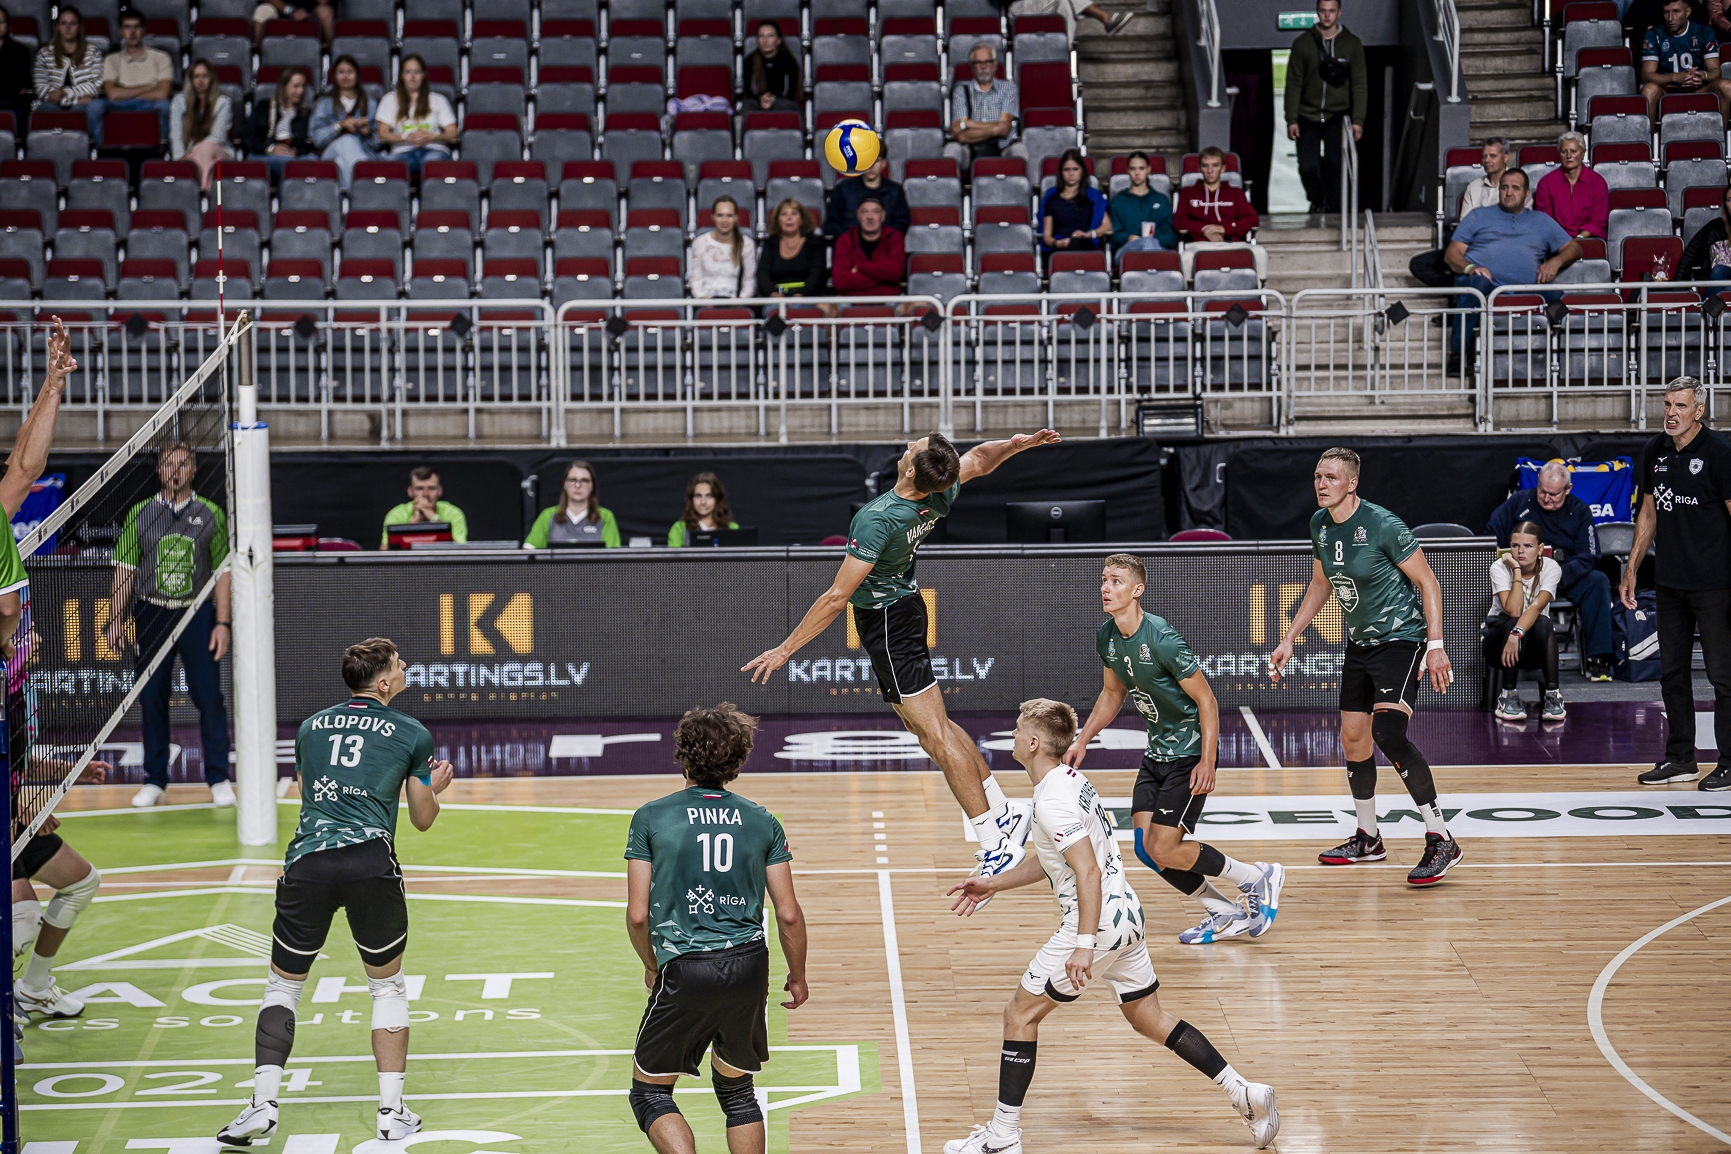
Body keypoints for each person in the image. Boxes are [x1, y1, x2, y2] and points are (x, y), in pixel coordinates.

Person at [942, 699, 1279, 1154]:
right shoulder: (1069, 781)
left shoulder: (1052, 801)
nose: (1014, 736)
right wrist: (994, 883)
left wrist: (1083, 944)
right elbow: (1057, 859)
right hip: (1127, 919)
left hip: (1095, 927)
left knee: (1020, 1015)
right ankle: (1245, 1092)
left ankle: (1002, 1137)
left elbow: (1087, 871)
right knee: (1149, 1018)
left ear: (1035, 743)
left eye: (1019, 730)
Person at [743, 430, 1062, 884]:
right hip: (904, 610)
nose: (910, 443)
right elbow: (978, 460)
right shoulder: (940, 492)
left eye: (914, 445)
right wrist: (1014, 446)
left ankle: (995, 843)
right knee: (931, 728)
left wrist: (785, 649)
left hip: (889, 622)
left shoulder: (877, 519)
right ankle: (1002, 811)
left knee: (935, 736)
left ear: (910, 469)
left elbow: (836, 597)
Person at [217, 637, 455, 1145]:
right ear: (384, 683)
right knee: (387, 987)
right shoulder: (413, 733)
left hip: (309, 863)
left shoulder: (310, 727)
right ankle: (391, 1112)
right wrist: (433, 789)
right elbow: (422, 818)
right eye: (399, 663)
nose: (406, 666)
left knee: (283, 988)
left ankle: (262, 1105)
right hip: (370, 863)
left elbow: (311, 791)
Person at [1065, 554, 1286, 945]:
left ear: (1138, 590)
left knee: (1164, 846)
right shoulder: (1107, 636)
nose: (1105, 588)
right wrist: (1082, 739)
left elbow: (1207, 700)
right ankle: (1222, 911)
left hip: (1188, 754)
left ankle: (1256, 877)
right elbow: (1113, 693)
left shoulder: (1162, 638)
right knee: (1146, 849)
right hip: (1157, 754)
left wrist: (1208, 761)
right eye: (1104, 579)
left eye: (1116, 581)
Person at [1269, 447, 1465, 885]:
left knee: (1387, 734)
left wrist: (1435, 645)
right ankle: (1368, 838)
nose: (1322, 484)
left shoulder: (1382, 524)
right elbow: (1320, 584)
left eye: (1331, 478)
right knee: (1354, 737)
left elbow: (1428, 582)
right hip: (1359, 644)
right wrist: (1289, 638)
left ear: (1352, 483)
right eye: (1318, 476)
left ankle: (1442, 838)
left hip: (1402, 639)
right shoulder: (1320, 524)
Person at [624, 704, 807, 1154]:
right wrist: (798, 975)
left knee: (650, 1093)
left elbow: (638, 915)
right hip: (749, 966)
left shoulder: (651, 817)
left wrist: (652, 964)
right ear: (738, 761)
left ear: (682, 756)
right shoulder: (762, 820)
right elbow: (788, 914)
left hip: (686, 968)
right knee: (738, 1092)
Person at [106, 442, 233, 809]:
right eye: (168, 465)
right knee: (151, 697)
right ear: (158, 471)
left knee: (209, 698)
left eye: (182, 464)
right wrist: (115, 619)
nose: (175, 471)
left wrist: (222, 622)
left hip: (196, 613)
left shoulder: (211, 514)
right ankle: (155, 780)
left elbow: (223, 573)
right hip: (152, 612)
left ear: (193, 469)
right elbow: (125, 571)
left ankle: (218, 778)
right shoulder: (139, 514)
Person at [1625, 377, 1731, 790]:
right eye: (1667, 404)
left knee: (1723, 676)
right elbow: (1648, 513)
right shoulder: (1654, 450)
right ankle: (1681, 758)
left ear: (1699, 411)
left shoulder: (1720, 452)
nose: (1671, 413)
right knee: (1672, 673)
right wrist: (1632, 568)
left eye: (1680, 406)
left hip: (1716, 584)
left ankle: (1729, 761)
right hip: (1669, 582)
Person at [1486, 461, 1617, 682]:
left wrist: (1557, 575)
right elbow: (1490, 536)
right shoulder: (1519, 502)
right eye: (1542, 491)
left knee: (1598, 581)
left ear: (1568, 489)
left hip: (1564, 576)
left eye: (1553, 494)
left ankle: (1598, 658)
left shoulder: (1580, 511)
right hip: (1521, 577)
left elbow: (1589, 556)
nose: (1546, 498)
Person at [1445, 168, 1580, 364]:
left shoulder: (1541, 220)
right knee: (1476, 288)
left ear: (1526, 193)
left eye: (1515, 188)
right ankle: (1458, 353)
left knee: (1554, 296)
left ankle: (1570, 349)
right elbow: (1451, 253)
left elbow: (1574, 248)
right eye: (1504, 188)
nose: (1509, 193)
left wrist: (1555, 262)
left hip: (1526, 287)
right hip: (1484, 284)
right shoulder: (1478, 216)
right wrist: (1470, 268)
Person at [1283, 0, 1367, 214]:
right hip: (1307, 115)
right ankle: (1317, 200)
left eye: (1331, 11)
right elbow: (1293, 83)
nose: (1327, 15)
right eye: (1323, 11)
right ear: (1317, 12)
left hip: (1337, 116)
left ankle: (1332, 213)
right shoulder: (1302, 44)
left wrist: (1358, 119)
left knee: (1335, 166)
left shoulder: (1352, 44)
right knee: (1308, 167)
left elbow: (1359, 84)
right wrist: (1291, 119)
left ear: (1339, 12)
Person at [1408, 139, 1520, 288]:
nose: (1487, 160)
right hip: (1471, 247)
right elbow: (1466, 225)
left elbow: (1515, 224)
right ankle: (1459, 288)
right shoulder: (1474, 186)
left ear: (1506, 157)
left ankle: (1463, 288)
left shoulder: (1517, 184)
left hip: (1499, 248)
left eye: (1492, 156)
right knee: (1419, 263)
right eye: (1484, 156)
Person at [1484, 521, 1566, 723]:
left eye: (1528, 546)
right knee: (1512, 619)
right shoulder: (1499, 567)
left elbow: (1536, 607)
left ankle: (1553, 695)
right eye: (1515, 546)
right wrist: (1516, 570)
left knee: (1543, 622)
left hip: (1531, 644)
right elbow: (1514, 609)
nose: (1520, 551)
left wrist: (1517, 634)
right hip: (1499, 644)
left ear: (1540, 549)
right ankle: (1508, 695)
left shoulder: (1551, 567)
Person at [1174, 146, 1266, 281]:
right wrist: (1203, 229)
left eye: (1215, 165)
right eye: (1205, 166)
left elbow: (1252, 219)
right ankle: (1189, 293)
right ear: (1199, 169)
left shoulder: (1235, 193)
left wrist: (1224, 229)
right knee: (1186, 258)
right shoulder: (1188, 193)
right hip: (1199, 244)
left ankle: (1259, 292)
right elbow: (1178, 222)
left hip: (1231, 242)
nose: (1210, 171)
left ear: (1223, 168)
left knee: (1259, 252)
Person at [88, 10, 173, 146]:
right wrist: (148, 87)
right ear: (120, 32)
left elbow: (162, 93)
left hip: (150, 104)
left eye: (136, 27)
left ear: (144, 30)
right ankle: (101, 148)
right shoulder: (111, 59)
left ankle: (163, 146)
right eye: (127, 27)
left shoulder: (161, 57)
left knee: (165, 106)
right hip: (120, 104)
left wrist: (124, 91)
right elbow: (113, 94)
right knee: (94, 106)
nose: (132, 32)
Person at [1641, 0, 1731, 120]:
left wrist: (1702, 75)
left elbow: (1716, 72)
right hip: (1668, 88)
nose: (1670, 18)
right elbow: (1647, 75)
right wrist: (1675, 77)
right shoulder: (1654, 34)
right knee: (1648, 89)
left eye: (1676, 12)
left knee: (1727, 86)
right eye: (1666, 12)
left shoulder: (1704, 31)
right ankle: (1649, 132)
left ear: (1687, 12)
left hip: (1698, 87)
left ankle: (1721, 131)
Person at [945, 42, 1027, 171]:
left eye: (987, 62)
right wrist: (995, 129)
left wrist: (968, 123)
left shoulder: (1008, 89)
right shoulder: (961, 91)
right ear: (972, 66)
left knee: (1020, 149)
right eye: (978, 63)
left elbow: (1004, 129)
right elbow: (960, 135)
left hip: (1002, 148)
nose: (983, 67)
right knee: (951, 149)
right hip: (969, 150)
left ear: (995, 64)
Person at [375, 55, 456, 180]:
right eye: (408, 72)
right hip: (402, 151)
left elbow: (453, 132)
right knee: (388, 164)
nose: (412, 77)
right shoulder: (389, 99)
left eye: (417, 72)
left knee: (432, 162)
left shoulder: (438, 100)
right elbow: (382, 133)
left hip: (434, 149)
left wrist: (433, 136)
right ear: (401, 75)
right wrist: (405, 138)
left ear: (424, 75)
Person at [310, 54, 379, 192]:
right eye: (341, 72)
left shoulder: (370, 103)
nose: (346, 76)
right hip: (329, 150)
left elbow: (378, 143)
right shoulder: (324, 103)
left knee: (341, 164)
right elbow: (316, 138)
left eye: (350, 72)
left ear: (357, 75)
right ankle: (366, 188)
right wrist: (339, 125)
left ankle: (350, 198)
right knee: (347, 140)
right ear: (335, 76)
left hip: (363, 151)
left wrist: (367, 133)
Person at [756, 198, 833, 316]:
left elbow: (817, 274)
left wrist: (801, 295)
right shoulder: (770, 244)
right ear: (777, 220)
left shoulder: (815, 243)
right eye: (784, 214)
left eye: (794, 213)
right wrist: (774, 294)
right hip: (777, 299)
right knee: (773, 312)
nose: (789, 218)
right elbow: (762, 274)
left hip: (809, 296)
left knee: (818, 309)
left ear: (802, 220)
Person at [524, 460, 619, 548]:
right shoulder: (548, 516)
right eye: (572, 480)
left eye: (584, 480)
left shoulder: (605, 517)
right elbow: (528, 551)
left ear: (592, 486)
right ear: (564, 484)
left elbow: (613, 556)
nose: (578, 485)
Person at [170, 59, 233, 192]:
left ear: (211, 79)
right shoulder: (179, 101)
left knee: (206, 148)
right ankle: (207, 195)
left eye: (205, 76)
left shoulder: (223, 102)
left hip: (218, 151)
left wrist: (193, 152)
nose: (200, 81)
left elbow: (218, 137)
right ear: (191, 80)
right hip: (188, 154)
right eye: (196, 76)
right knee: (205, 156)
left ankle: (202, 191)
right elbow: (175, 133)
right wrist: (180, 156)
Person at [1107, 151, 1178, 268]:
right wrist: (1129, 237)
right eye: (1132, 169)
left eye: (1141, 168)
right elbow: (1113, 236)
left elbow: (1170, 236)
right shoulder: (1118, 201)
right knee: (1147, 243)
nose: (1137, 173)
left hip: (1158, 248)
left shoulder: (1161, 199)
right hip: (1126, 251)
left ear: (1148, 169)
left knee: (1149, 242)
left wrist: (1155, 239)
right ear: (1127, 171)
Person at [830, 196, 909, 301]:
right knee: (823, 307)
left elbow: (896, 273)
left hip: (889, 299)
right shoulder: (845, 240)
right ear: (858, 215)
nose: (870, 217)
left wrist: (860, 267)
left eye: (875, 212)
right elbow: (840, 280)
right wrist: (883, 278)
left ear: (883, 215)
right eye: (864, 212)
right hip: (850, 301)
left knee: (922, 304)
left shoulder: (895, 237)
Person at [1534, 131, 1608, 241]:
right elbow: (1545, 220)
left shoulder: (1598, 183)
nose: (1568, 156)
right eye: (1564, 152)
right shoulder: (1546, 183)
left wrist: (1580, 238)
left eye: (1573, 151)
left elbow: (1598, 220)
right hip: (1556, 241)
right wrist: (1564, 241)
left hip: (1589, 240)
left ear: (1583, 153)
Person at [243, 66, 312, 181]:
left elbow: (309, 143)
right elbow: (249, 136)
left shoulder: (305, 113)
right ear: (284, 87)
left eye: (303, 86)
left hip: (294, 156)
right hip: (263, 154)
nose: (301, 91)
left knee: (311, 161)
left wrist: (296, 151)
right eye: (296, 86)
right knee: (290, 166)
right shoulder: (264, 106)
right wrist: (269, 149)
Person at [32, 7, 101, 121]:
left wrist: (64, 92)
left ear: (79, 27)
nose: (67, 28)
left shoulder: (93, 53)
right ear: (57, 27)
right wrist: (53, 96)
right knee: (46, 110)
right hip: (52, 103)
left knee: (84, 110)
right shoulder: (44, 54)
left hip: (81, 104)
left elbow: (95, 85)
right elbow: (40, 85)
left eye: (72, 24)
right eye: (63, 23)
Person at [688, 195, 758, 299]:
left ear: (736, 217)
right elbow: (695, 279)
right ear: (712, 217)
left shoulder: (746, 244)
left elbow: (749, 281)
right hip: (706, 301)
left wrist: (741, 300)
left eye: (729, 216)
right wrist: (702, 299)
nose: (725, 220)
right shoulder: (700, 242)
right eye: (720, 215)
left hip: (735, 302)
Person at [1040, 148, 1108, 254]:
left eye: (1075, 169)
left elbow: (1107, 226)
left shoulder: (1093, 197)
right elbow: (1047, 237)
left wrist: (1088, 234)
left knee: (1076, 243)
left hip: (1085, 245)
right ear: (1061, 172)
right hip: (1059, 248)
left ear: (1082, 171)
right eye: (1066, 170)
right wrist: (1057, 243)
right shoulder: (1052, 199)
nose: (1071, 174)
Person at [823, 156, 910, 238]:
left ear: (883, 163)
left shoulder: (895, 190)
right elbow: (831, 224)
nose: (871, 166)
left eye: (876, 161)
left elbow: (901, 224)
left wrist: (876, 237)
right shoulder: (843, 189)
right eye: (867, 161)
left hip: (885, 245)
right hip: (849, 244)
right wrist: (857, 237)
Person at [380, 466, 468, 548]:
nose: (425, 494)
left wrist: (434, 518)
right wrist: (413, 522)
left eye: (431, 488)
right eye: (419, 489)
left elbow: (461, 551)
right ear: (410, 491)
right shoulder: (396, 514)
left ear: (439, 491)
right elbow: (384, 553)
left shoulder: (453, 513)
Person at [743, 20, 801, 113]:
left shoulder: (788, 60)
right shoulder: (750, 60)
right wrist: (761, 99)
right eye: (761, 36)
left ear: (778, 40)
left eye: (770, 36)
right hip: (757, 100)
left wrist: (772, 99)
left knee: (784, 105)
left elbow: (790, 92)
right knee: (747, 106)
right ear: (757, 40)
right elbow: (748, 91)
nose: (765, 40)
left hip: (782, 100)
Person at [1005, 0, 1133, 42]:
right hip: (1018, 7)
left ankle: (1064, 51)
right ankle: (1105, 17)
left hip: (1042, 4)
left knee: (1065, 4)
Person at [667, 472, 739, 547]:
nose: (703, 502)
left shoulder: (732, 528)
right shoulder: (679, 529)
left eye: (709, 496)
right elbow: (674, 554)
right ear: (691, 499)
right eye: (698, 496)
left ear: (717, 499)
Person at [1679, 183, 1731, 279]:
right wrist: (1677, 284)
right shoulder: (1715, 227)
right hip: (1718, 279)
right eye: (1729, 200)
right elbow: (1690, 255)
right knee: (1719, 271)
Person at [0, 8, 35, 135]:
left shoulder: (21, 51)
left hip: (12, 104)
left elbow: (19, 86)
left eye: (1, 22)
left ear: (8, 25)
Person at [252, 0, 335, 46]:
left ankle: (330, 57)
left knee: (325, 12)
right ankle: (258, 58)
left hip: (311, 12)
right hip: (280, 10)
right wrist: (290, 10)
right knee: (262, 11)